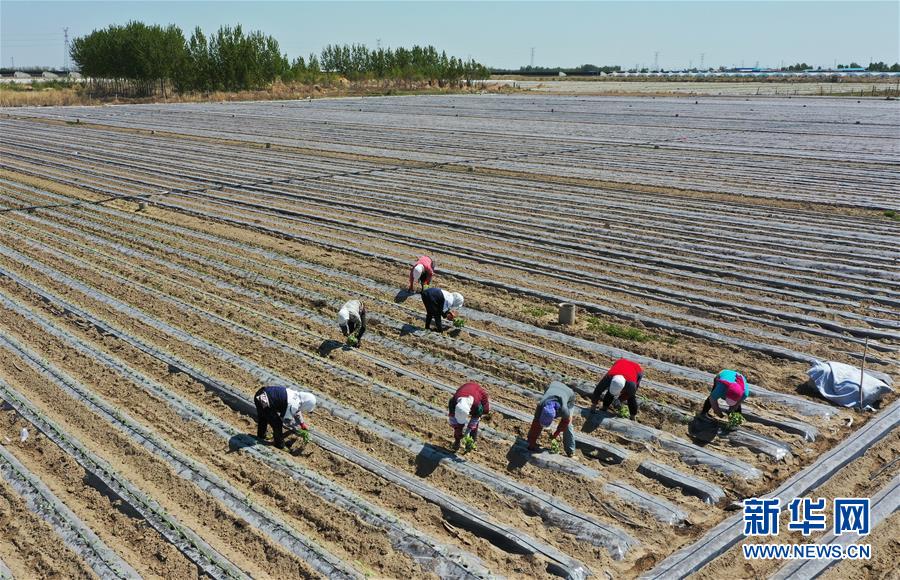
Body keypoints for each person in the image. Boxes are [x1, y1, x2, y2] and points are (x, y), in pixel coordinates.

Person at [527, 381, 577, 457]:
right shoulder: (541, 405)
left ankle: (570, 451)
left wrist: (556, 433)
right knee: (536, 425)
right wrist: (531, 443)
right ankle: (531, 441)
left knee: (568, 425)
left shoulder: (564, 410)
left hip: (569, 395)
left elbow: (565, 422)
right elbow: (535, 425)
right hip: (553, 385)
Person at [448, 381, 490, 450]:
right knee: (458, 427)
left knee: (484, 411)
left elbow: (475, 418)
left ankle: (471, 442)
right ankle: (457, 441)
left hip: (477, 391)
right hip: (465, 388)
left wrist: (468, 430)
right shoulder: (453, 402)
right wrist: (457, 428)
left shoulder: (476, 405)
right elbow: (452, 417)